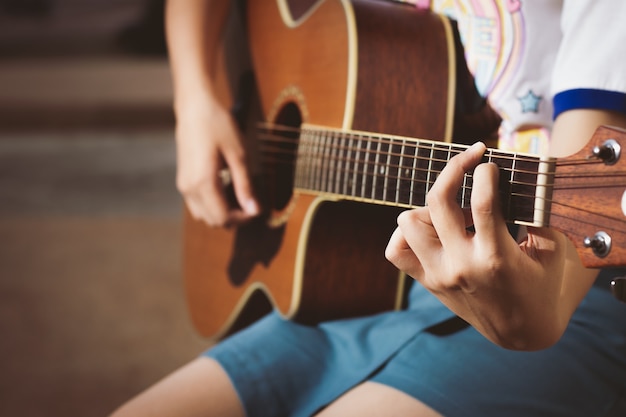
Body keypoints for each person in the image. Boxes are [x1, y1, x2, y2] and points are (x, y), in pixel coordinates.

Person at [110, 0, 626, 416]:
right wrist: (196, 101)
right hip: (369, 279)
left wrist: (538, 313)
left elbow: (594, 196)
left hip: (575, 292)